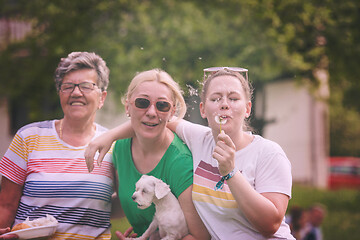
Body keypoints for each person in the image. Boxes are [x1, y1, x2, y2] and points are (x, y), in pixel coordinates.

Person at [85, 67, 295, 239]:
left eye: (233, 98)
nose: (224, 104)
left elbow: (271, 224)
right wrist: (109, 136)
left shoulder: (268, 153)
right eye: (215, 99)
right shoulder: (199, 139)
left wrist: (230, 172)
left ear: (248, 108)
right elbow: (154, 119)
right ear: (203, 110)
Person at [0, 52, 115, 239]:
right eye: (68, 86)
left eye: (86, 86)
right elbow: (5, 204)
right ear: (60, 94)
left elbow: (129, 199)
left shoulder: (114, 145)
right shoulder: (29, 137)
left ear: (102, 98)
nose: (76, 93)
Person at [87, 69, 209, 239]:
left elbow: (200, 237)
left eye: (162, 105)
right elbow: (125, 201)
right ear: (127, 106)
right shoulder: (121, 147)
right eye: (142, 103)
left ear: (172, 111)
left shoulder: (180, 163)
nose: (152, 112)